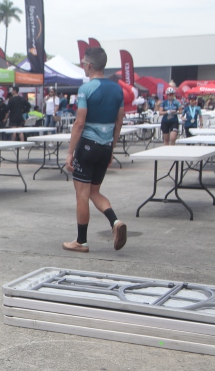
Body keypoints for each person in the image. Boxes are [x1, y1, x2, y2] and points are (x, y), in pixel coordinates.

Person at [63, 47, 126, 253]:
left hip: (88, 146)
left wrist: (70, 152)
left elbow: (79, 123)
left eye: (83, 63)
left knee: (82, 194)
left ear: (89, 66)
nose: (82, 66)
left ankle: (81, 241)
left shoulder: (86, 89)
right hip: (105, 147)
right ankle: (115, 222)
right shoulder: (118, 90)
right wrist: (111, 148)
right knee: (94, 191)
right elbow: (119, 122)